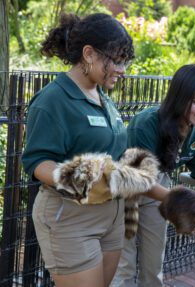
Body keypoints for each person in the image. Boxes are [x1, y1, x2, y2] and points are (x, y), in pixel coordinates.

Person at [21, 13, 134, 287]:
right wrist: (79, 178)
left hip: (112, 216)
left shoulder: (102, 97)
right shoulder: (52, 100)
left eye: (126, 62)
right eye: (117, 60)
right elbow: (37, 161)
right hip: (71, 218)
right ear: (89, 54)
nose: (122, 69)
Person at [111, 64, 195, 287]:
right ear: (180, 99)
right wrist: (183, 200)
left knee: (154, 266)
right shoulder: (147, 123)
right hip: (126, 189)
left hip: (159, 188)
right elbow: (142, 182)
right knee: (124, 268)